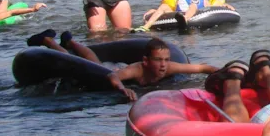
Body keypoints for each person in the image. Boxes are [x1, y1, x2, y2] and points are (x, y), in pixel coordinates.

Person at [25, 31, 218, 101]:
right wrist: (122, 89)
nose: (163, 65)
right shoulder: (136, 70)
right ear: (146, 61)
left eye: (166, 60)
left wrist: (223, 72)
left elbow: (202, 68)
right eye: (158, 60)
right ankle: (50, 41)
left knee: (92, 59)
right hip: (109, 71)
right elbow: (113, 76)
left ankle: (69, 41)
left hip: (115, 69)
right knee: (89, 63)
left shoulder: (169, 68)